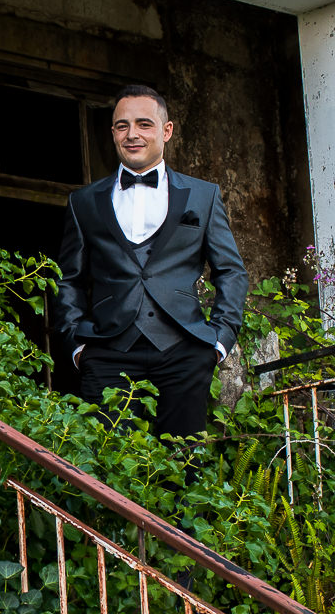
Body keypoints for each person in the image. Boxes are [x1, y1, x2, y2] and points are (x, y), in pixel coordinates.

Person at [54, 85, 249, 441]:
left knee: (184, 466)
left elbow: (231, 270)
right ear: (112, 132)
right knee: (111, 466)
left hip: (184, 352)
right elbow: (69, 278)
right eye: (122, 125)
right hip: (108, 353)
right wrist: (78, 346)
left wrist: (219, 341)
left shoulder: (203, 196)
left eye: (144, 124)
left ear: (166, 130)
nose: (133, 134)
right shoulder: (83, 201)